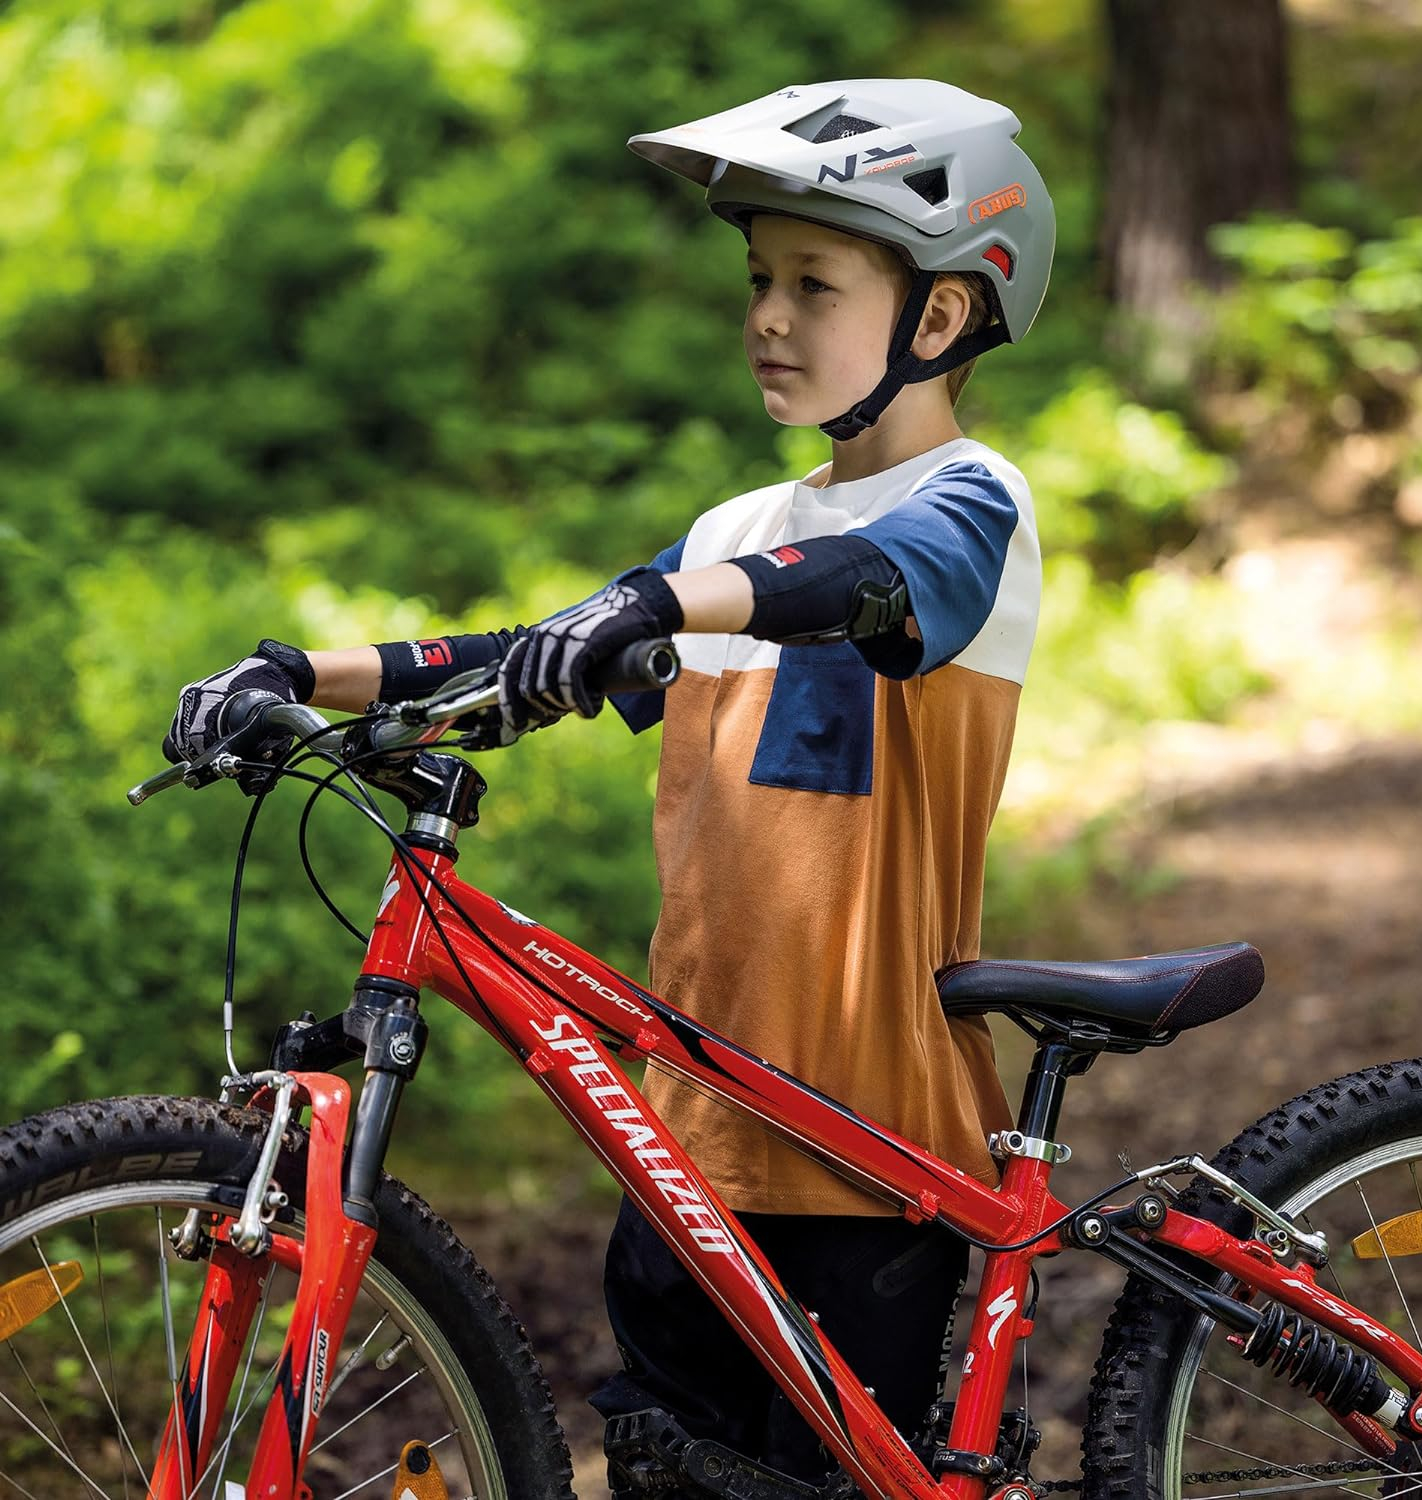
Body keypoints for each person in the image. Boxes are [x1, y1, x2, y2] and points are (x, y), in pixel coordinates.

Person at [164, 78, 1053, 1496]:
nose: (767, 317)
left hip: (869, 1137)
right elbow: (525, 657)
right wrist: (302, 672)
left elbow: (865, 582)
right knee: (662, 1466)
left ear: (939, 317)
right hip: (686, 1134)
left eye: (814, 285)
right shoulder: (735, 531)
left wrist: (658, 600)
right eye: (758, 281)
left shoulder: (972, 503)